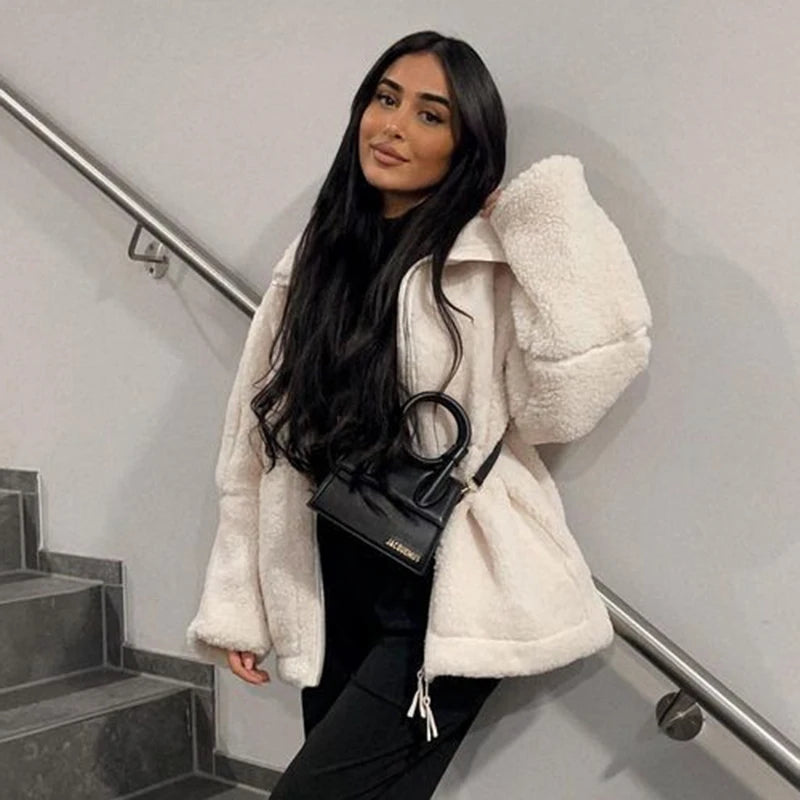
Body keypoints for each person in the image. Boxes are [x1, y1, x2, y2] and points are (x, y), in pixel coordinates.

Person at [187, 29, 653, 799]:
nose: (394, 126)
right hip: (333, 574)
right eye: (386, 99)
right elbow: (256, 435)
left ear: (464, 145)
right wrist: (241, 601)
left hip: (441, 591)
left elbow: (575, 388)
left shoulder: (482, 262)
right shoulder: (318, 253)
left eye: (430, 115)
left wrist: (539, 216)